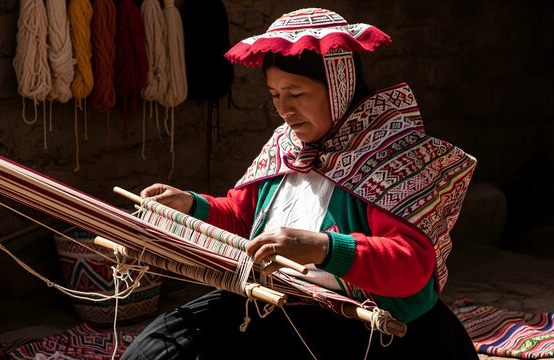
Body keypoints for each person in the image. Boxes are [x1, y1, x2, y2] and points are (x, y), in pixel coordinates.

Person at [121, 8, 478, 360]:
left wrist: (322, 248)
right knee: (160, 347)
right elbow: (245, 220)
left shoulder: (391, 155)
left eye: (297, 93)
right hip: (275, 297)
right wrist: (192, 206)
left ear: (339, 87)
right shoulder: (286, 146)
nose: (285, 110)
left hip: (364, 322)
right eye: (276, 95)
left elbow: (411, 266)